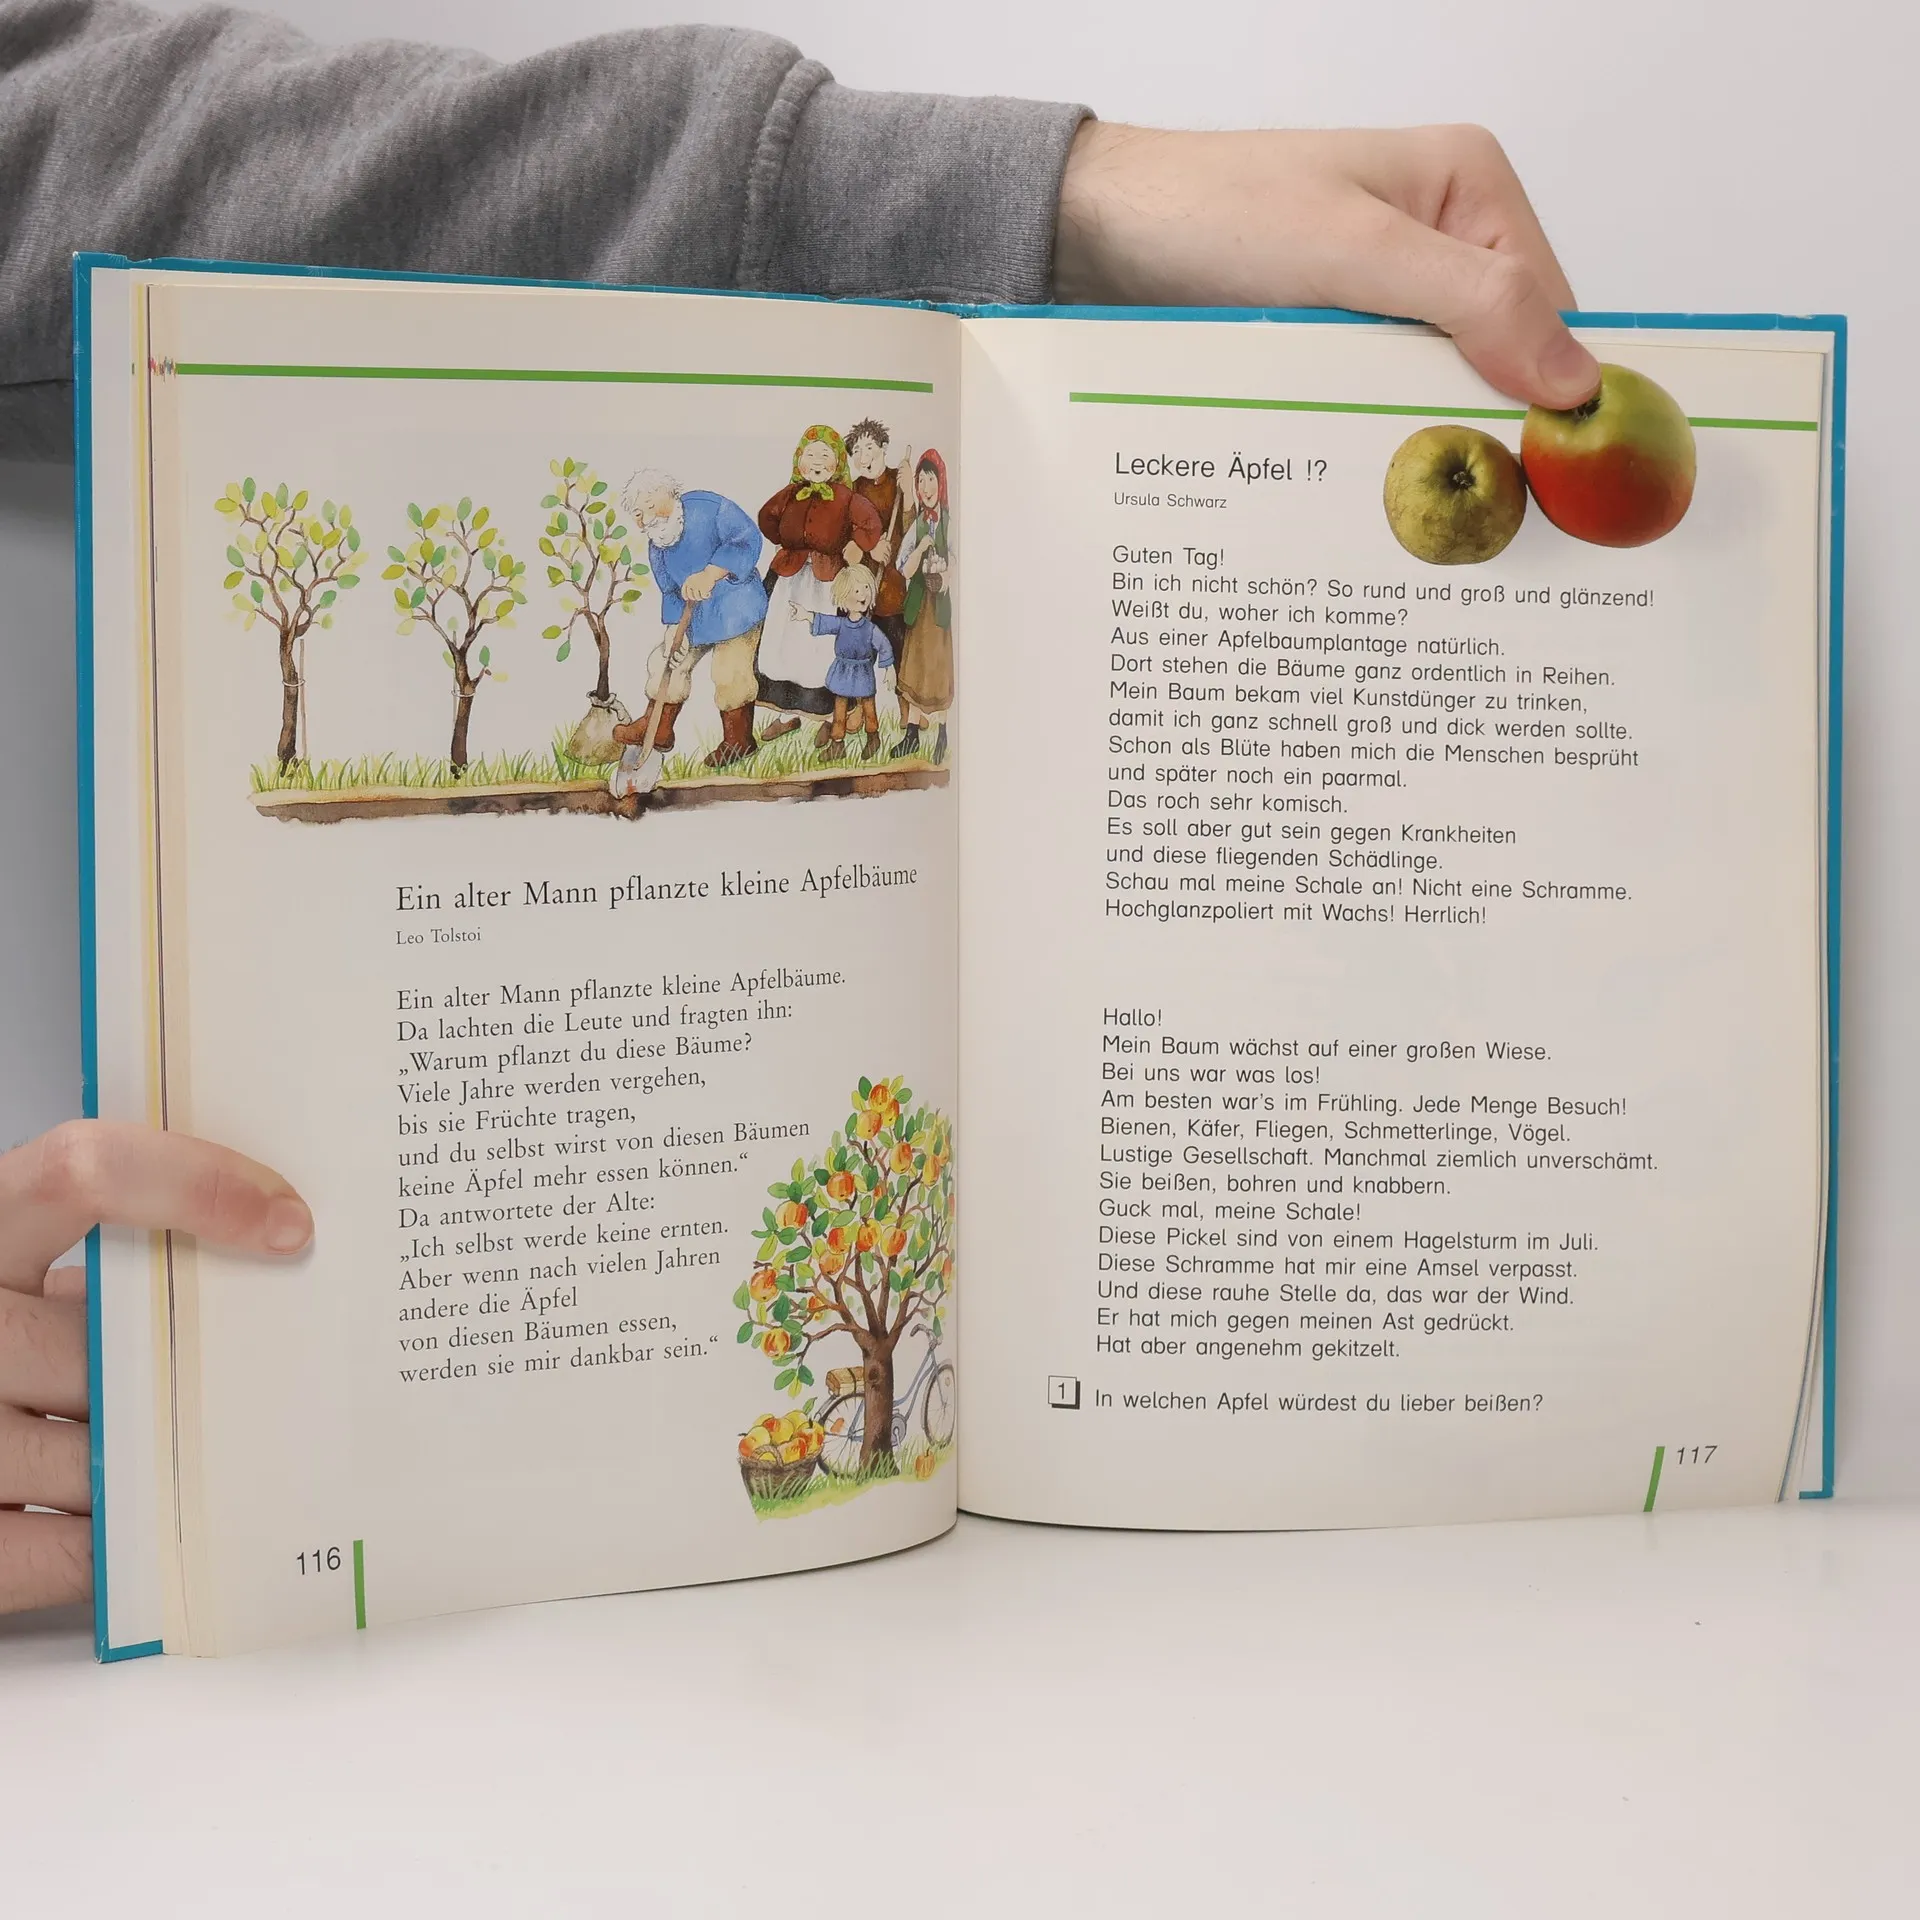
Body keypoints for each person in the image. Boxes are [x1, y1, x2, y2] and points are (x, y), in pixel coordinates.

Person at [0, 4, 1602, 1616]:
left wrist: (1059, 199)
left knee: (820, 684)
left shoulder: (795, 535)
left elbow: (112, 152)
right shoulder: (742, 547)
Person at [611, 469, 770, 770]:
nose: (644, 521)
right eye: (638, 515)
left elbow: (747, 539)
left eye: (646, 509)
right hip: (694, 618)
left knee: (729, 673)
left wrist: (711, 573)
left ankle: (739, 739)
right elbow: (669, 590)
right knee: (666, 660)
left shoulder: (709, 508)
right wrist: (675, 630)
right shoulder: (657, 544)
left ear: (664, 495)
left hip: (736, 610)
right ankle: (658, 727)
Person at [754, 425, 883, 739]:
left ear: (837, 462)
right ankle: (786, 715)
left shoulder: (846, 497)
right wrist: (785, 540)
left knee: (819, 647)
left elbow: (870, 523)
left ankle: (828, 716)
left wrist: (857, 544)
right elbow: (766, 516)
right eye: (810, 454)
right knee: (785, 641)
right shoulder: (790, 493)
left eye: (824, 455)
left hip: (826, 582)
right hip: (791, 578)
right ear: (799, 459)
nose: (816, 462)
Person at [893, 450, 954, 765]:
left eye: (931, 480)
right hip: (918, 608)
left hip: (939, 606)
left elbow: (957, 559)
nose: (926, 488)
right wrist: (920, 548)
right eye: (921, 481)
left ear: (940, 484)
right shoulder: (918, 524)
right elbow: (904, 568)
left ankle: (943, 733)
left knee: (938, 669)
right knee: (915, 668)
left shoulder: (949, 522)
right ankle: (912, 735)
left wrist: (944, 577)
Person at [845, 418, 913, 663]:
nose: (863, 457)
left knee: (895, 656)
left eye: (869, 448)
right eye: (856, 451)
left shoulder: (899, 481)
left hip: (892, 590)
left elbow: (912, 531)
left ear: (884, 448)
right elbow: (846, 538)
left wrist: (909, 493)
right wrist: (870, 548)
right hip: (861, 589)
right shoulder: (852, 489)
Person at [810, 562, 893, 760]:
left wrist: (888, 667)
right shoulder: (841, 623)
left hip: (863, 673)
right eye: (856, 590)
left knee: (869, 709)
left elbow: (884, 645)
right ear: (843, 596)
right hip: (842, 672)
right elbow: (825, 622)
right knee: (839, 711)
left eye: (866, 588)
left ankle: (873, 738)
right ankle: (837, 745)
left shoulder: (870, 628)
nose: (862, 594)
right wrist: (806, 616)